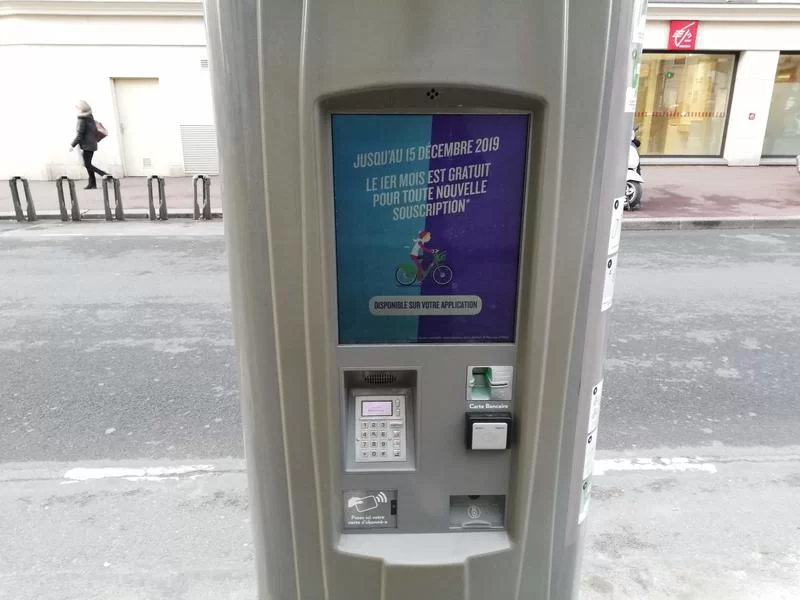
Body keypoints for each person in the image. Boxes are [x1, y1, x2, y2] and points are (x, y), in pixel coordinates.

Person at [70, 101, 107, 189]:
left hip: (87, 144)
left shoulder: (82, 119)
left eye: (77, 108)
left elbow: (80, 134)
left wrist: (72, 145)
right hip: (92, 143)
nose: (76, 110)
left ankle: (104, 174)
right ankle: (92, 184)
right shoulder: (89, 117)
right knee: (88, 164)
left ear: (81, 109)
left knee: (87, 164)